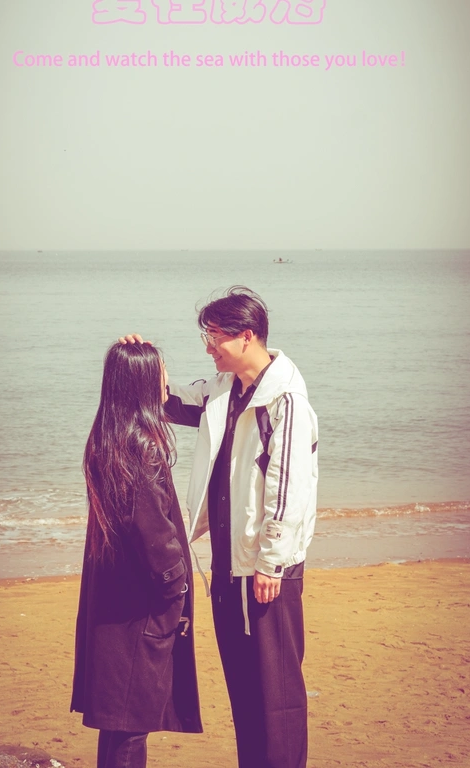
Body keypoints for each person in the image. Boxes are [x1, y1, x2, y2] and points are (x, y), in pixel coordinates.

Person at [120, 286, 319, 768]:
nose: (209, 347)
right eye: (206, 336)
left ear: (246, 336)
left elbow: (288, 488)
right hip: (228, 567)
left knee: (277, 692)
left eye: (215, 337)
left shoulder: (286, 401)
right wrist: (145, 362)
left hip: (267, 571)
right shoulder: (223, 390)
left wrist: (272, 562)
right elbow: (169, 403)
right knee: (244, 688)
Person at [70, 342, 202, 768]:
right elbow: (154, 535)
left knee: (119, 722)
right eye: (161, 375)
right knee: (131, 724)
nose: (167, 383)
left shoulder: (107, 439)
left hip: (116, 602)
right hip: (140, 610)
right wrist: (177, 585)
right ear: (143, 385)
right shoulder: (142, 448)